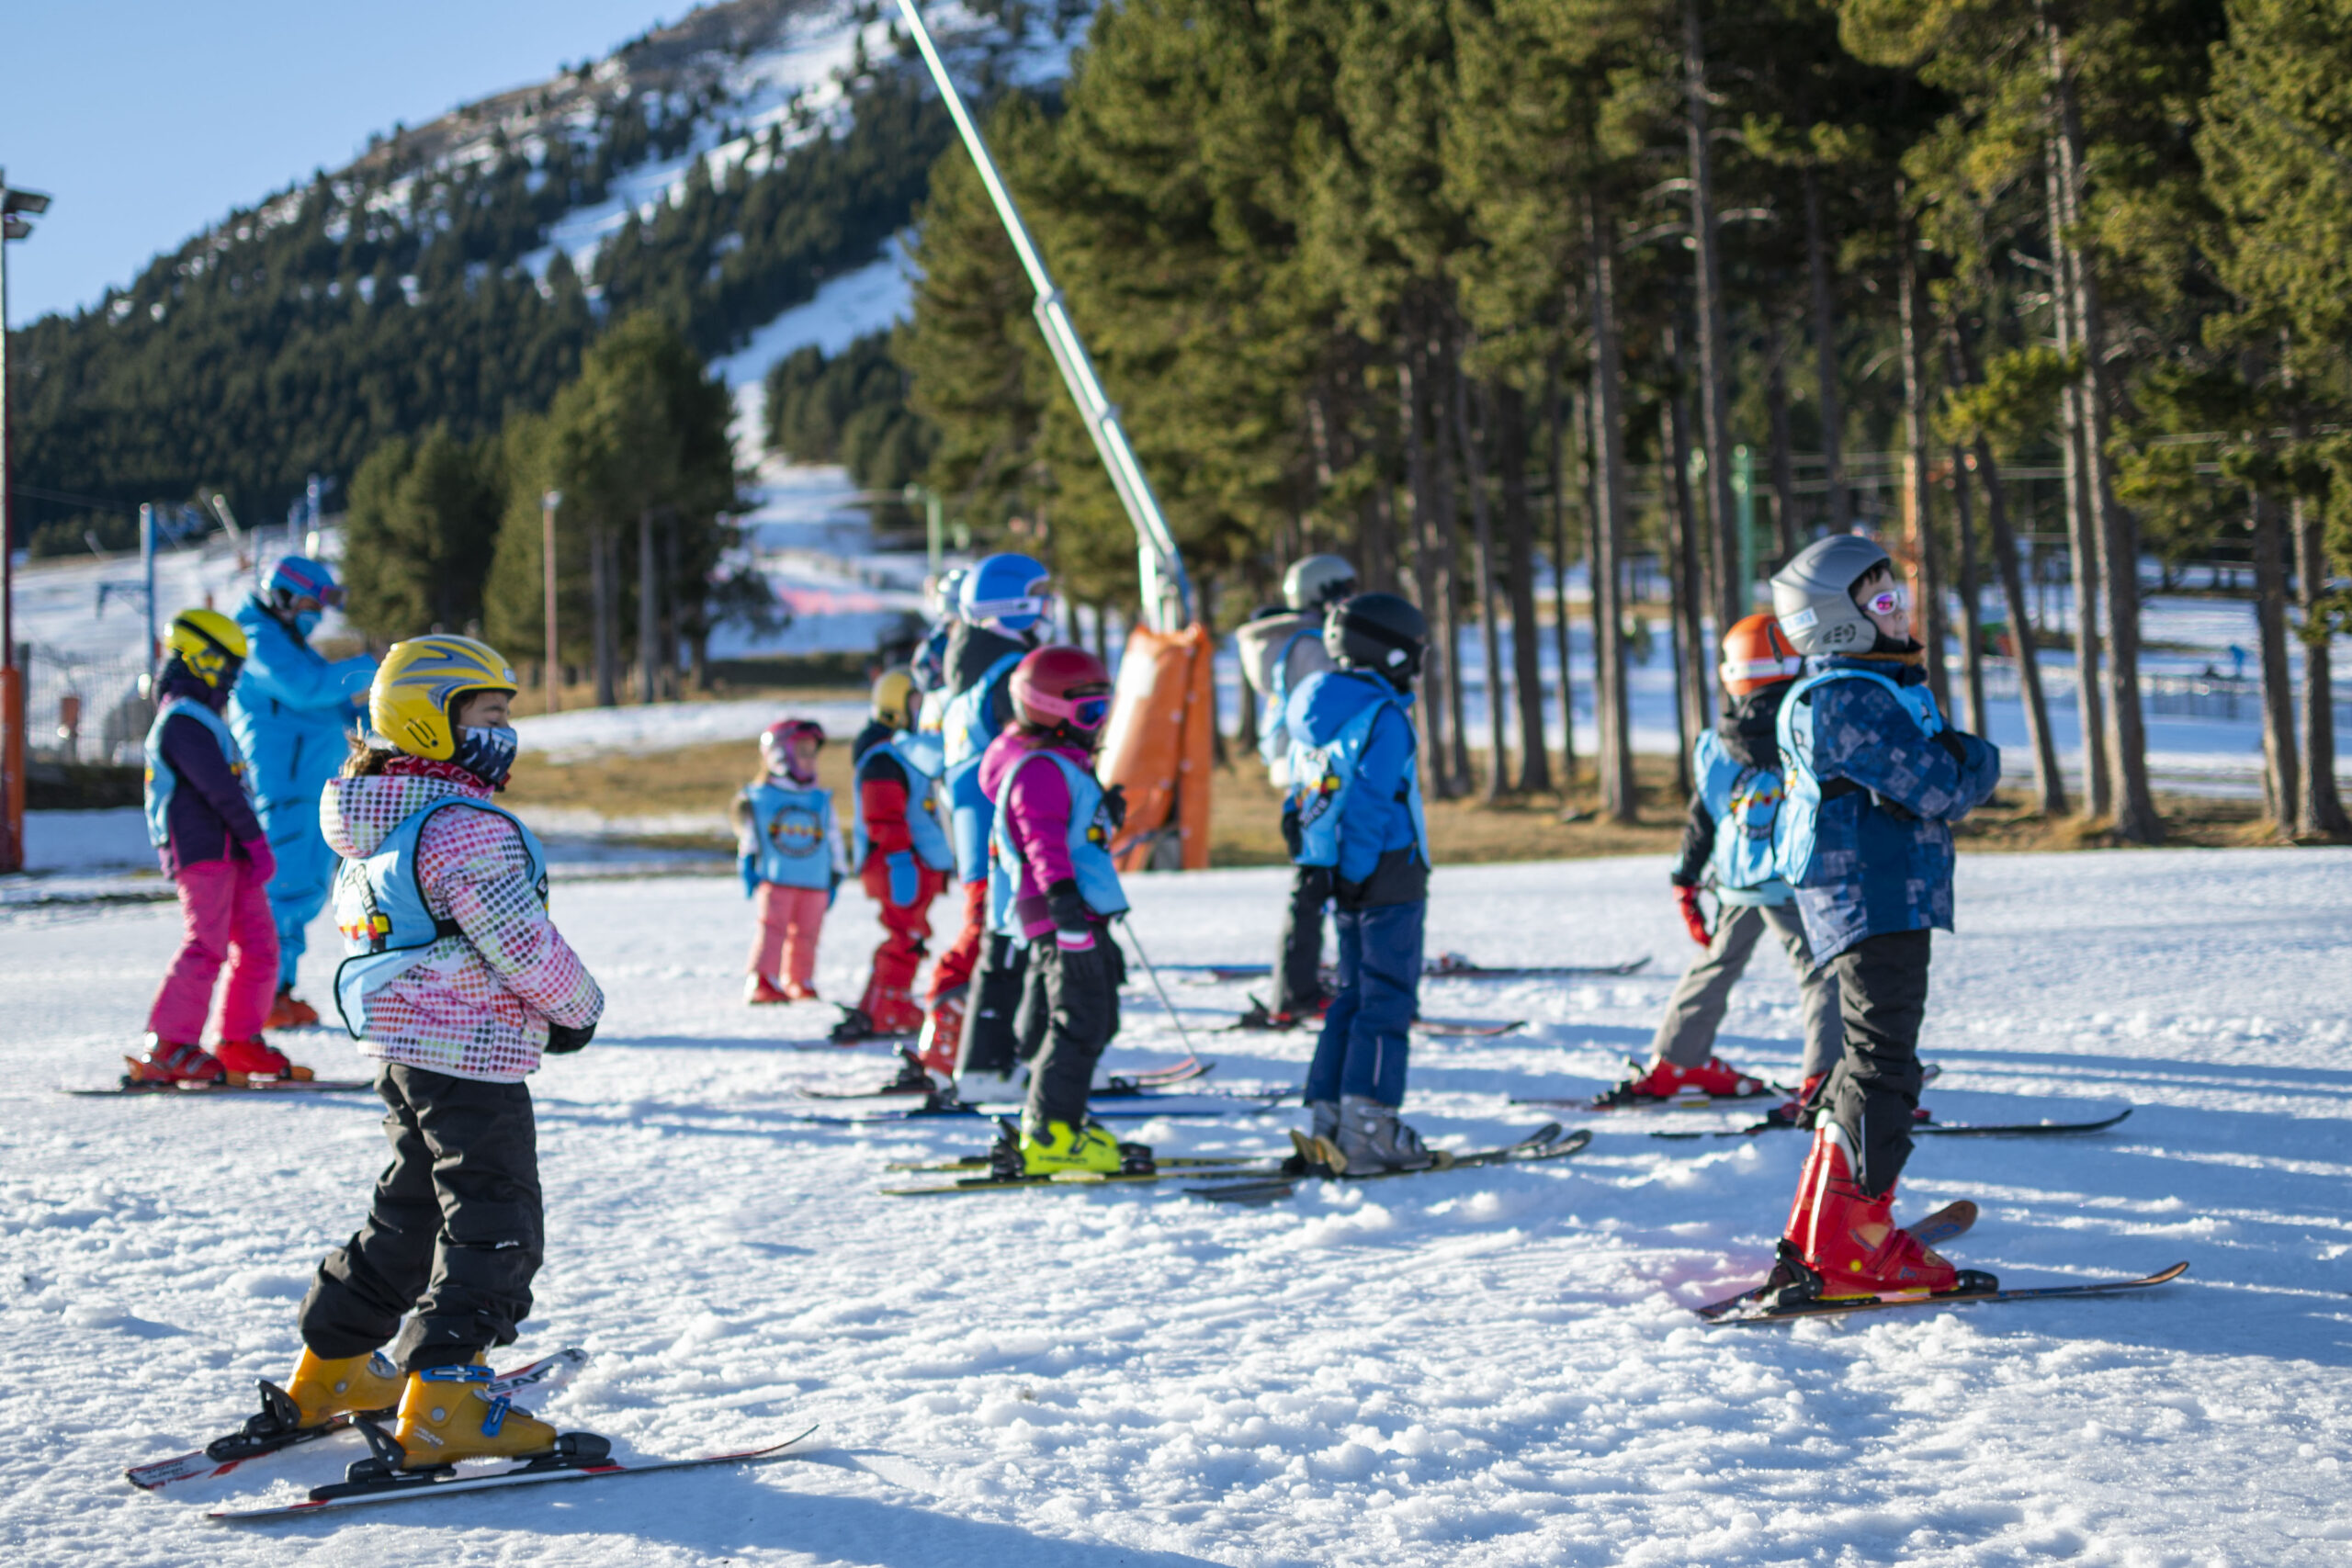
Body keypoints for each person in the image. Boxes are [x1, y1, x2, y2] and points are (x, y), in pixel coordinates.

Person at [283, 634, 605, 1472]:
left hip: (405, 1048)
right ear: (429, 723)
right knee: (495, 1219)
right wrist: (577, 1009)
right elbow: (522, 940)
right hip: (472, 1049)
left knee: (413, 1210)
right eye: (489, 714)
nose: (506, 733)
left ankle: (334, 1367)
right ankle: (447, 1399)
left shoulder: (379, 814)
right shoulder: (462, 827)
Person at [1764, 536, 2001, 1303]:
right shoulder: (1847, 698)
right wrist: (1974, 756)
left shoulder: (1863, 687)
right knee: (1884, 1064)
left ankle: (1823, 1228)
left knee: (1866, 1059)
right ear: (1838, 623)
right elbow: (1942, 784)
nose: (1903, 612)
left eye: (1900, 594)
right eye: (1885, 601)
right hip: (1873, 898)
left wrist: (1952, 754)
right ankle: (1856, 1243)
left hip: (1874, 894)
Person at [1605, 615, 1840, 1111]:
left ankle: (1677, 1058)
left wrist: (1684, 878)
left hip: (1736, 882)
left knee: (1716, 964)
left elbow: (1702, 820)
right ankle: (1827, 1078)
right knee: (1824, 973)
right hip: (1794, 880)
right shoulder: (1809, 727)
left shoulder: (1715, 745)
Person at [976, 645, 1143, 1177]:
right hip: (1062, 916)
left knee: (1094, 1015)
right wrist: (1065, 907)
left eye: (1104, 710)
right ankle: (1051, 1133)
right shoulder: (1039, 768)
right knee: (1081, 1020)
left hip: (1078, 914)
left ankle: (1060, 1117)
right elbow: (1042, 842)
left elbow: (1071, 827)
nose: (1099, 725)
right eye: (1090, 713)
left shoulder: (1060, 761)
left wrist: (1102, 808)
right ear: (1047, 709)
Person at [1284, 592, 1435, 1172]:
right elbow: (1373, 801)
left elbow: (1302, 791)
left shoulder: (1312, 706)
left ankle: (1329, 1116)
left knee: (1350, 996)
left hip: (1337, 871)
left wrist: (1333, 874)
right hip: (1385, 872)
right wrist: (1360, 871)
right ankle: (1369, 1125)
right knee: (1387, 998)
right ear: (1392, 652)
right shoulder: (1383, 716)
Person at [125, 609, 306, 1087]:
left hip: (235, 853)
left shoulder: (204, 717)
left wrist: (250, 846)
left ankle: (238, 1041)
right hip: (204, 851)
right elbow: (219, 792)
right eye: (228, 669)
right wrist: (255, 839)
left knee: (261, 947)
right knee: (206, 945)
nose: (232, 681)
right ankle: (167, 1046)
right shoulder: (182, 721)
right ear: (201, 660)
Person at [900, 553, 1050, 1055]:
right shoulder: (1009, 673)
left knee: (997, 934)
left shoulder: (972, 667)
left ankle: (990, 1042)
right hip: (999, 836)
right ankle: (943, 1043)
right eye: (1039, 596)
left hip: (980, 831)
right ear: (1012, 605)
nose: (1048, 607)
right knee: (987, 935)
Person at [230, 556, 378, 1031]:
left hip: (317, 789)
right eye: (313, 602)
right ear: (284, 596)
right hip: (288, 790)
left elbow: (335, 712)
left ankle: (279, 989)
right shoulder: (258, 642)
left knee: (305, 892)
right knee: (282, 893)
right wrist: (374, 666)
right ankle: (258, 994)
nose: (318, 614)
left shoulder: (292, 645)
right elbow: (310, 688)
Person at [1234, 553, 1357, 1027]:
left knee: (1314, 877)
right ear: (1323, 592)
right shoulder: (1312, 643)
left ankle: (1300, 981)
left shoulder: (1283, 640)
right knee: (1316, 879)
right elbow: (1325, 709)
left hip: (1300, 773)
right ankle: (1297, 987)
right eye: (1343, 587)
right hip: (1317, 772)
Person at [838, 668, 958, 1057]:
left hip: (911, 861)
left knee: (907, 932)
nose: (918, 709)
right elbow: (882, 815)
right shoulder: (883, 759)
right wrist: (899, 857)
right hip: (896, 863)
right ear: (894, 705)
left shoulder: (903, 751)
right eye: (912, 702)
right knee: (906, 935)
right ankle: (890, 1005)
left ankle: (880, 1003)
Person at [733, 718, 846, 1006]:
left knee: (807, 933)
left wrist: (838, 871)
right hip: (777, 878)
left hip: (815, 880)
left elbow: (832, 836)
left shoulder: (819, 799)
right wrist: (747, 863)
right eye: (803, 752)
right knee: (773, 929)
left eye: (812, 754)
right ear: (781, 755)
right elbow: (752, 836)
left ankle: (799, 979)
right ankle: (762, 979)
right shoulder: (761, 797)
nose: (810, 761)